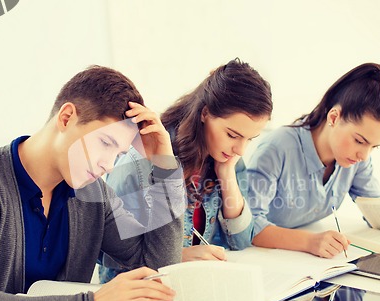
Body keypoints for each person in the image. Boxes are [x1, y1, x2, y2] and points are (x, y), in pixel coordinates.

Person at [0, 65, 186, 301]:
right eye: (105, 143)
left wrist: (165, 166)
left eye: (118, 154)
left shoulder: (94, 194)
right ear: (67, 117)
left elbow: (157, 267)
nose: (108, 165)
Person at [99, 58, 273, 282]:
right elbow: (109, 257)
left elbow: (240, 239)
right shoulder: (139, 162)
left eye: (250, 139)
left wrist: (227, 173)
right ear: (205, 113)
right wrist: (176, 257)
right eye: (232, 135)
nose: (240, 149)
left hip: (195, 285)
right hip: (139, 292)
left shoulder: (226, 158)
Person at [247, 63, 380, 258]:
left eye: (374, 146)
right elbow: (248, 226)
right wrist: (310, 242)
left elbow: (376, 211)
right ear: (334, 117)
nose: (364, 155)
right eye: (359, 141)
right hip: (261, 258)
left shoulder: (356, 159)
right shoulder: (276, 148)